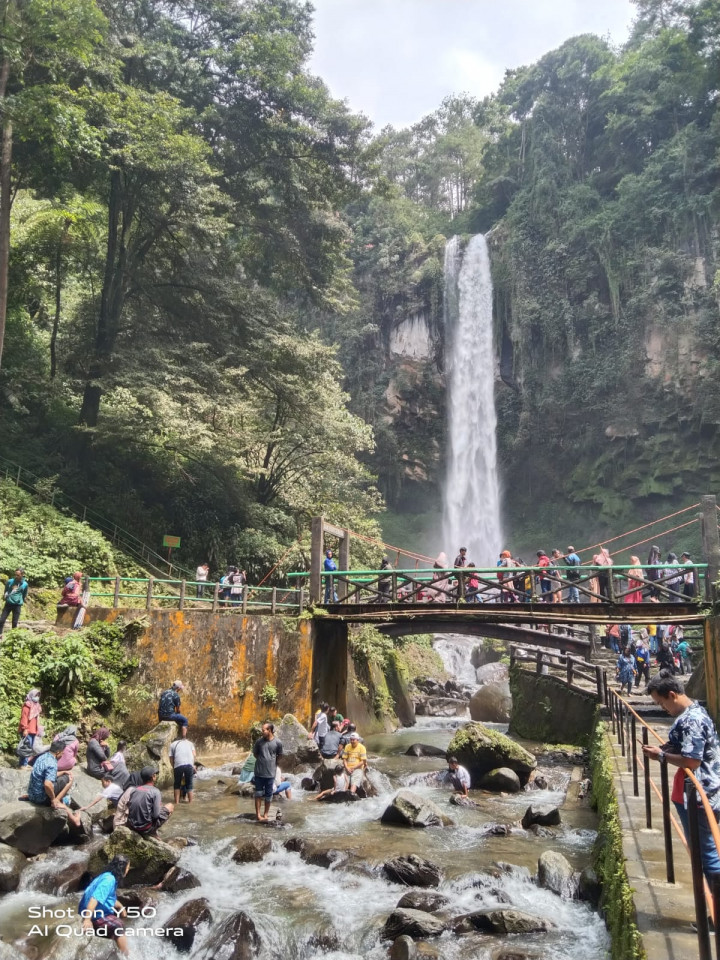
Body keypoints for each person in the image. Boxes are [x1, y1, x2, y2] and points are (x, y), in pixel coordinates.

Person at [643, 672, 720, 887]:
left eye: (662, 704)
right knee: (705, 848)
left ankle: (715, 913)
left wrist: (660, 755)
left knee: (707, 854)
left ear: (672, 695)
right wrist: (665, 748)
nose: (663, 709)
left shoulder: (692, 720)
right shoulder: (695, 711)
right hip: (701, 790)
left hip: (700, 793)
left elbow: (692, 761)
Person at [79, 855, 131, 955]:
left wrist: (121, 907)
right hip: (95, 914)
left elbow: (108, 897)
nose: (128, 870)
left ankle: (118, 945)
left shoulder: (107, 875)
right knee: (118, 926)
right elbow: (95, 898)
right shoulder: (109, 880)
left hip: (95, 910)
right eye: (128, 867)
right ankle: (127, 955)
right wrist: (87, 919)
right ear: (122, 867)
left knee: (121, 918)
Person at [23, 740, 83, 826]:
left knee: (62, 776)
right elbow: (47, 784)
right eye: (62, 753)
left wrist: (62, 772)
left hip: (33, 795)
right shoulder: (52, 763)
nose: (62, 755)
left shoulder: (42, 757)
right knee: (68, 779)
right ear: (58, 752)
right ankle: (57, 802)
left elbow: (47, 775)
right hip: (41, 798)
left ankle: (56, 800)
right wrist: (53, 798)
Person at [126, 767, 174, 835]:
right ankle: (153, 832)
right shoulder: (155, 791)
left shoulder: (134, 790)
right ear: (153, 777)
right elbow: (156, 815)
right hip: (145, 828)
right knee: (170, 806)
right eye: (155, 774)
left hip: (133, 826)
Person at [253, 722, 283, 821]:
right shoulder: (259, 742)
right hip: (259, 772)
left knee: (268, 795)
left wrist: (271, 763)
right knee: (258, 794)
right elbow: (255, 754)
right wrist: (263, 761)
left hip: (270, 773)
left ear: (269, 730)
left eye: (264, 730)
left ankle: (265, 814)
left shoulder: (278, 742)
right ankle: (258, 815)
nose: (262, 732)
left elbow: (280, 756)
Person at [18, 689, 43, 767]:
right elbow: (24, 718)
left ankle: (25, 763)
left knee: (29, 747)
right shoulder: (27, 705)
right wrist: (25, 728)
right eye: (36, 695)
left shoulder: (36, 706)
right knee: (25, 747)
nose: (37, 697)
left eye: (38, 696)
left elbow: (36, 720)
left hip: (33, 730)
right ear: (31, 695)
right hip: (27, 730)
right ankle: (22, 764)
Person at [170, 732, 196, 804]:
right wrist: (193, 765)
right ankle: (190, 803)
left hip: (178, 764)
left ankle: (177, 803)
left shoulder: (172, 744)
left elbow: (171, 758)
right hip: (189, 764)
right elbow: (194, 755)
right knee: (189, 784)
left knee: (177, 784)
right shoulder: (190, 743)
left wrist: (174, 767)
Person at [0, 568, 28, 635]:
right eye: (15, 575)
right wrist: (5, 596)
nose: (16, 576)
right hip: (8, 603)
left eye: (18, 575)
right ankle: (0, 634)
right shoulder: (10, 581)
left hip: (17, 605)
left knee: (14, 622)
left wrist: (21, 600)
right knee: (1, 620)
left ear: (22, 575)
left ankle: (13, 636)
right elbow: (6, 590)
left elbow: (24, 594)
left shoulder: (25, 584)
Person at [340, 731, 367, 796]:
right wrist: (346, 768)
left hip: (357, 768)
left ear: (357, 740)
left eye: (353, 740)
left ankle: (351, 794)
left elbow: (363, 761)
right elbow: (344, 759)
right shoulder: (347, 746)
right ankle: (342, 795)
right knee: (344, 781)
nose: (352, 741)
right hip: (347, 768)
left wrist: (353, 768)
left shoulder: (362, 747)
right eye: (351, 740)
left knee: (354, 782)